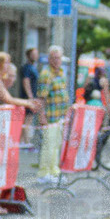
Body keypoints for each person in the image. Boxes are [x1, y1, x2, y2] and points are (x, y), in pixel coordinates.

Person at [36, 46, 70, 184]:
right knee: (48, 146)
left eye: (59, 58)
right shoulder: (46, 74)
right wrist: (41, 115)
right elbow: (41, 97)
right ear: (49, 59)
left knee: (56, 145)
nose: (57, 61)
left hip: (59, 116)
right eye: (54, 58)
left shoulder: (61, 73)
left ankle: (54, 171)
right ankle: (44, 173)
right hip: (50, 116)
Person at [20, 47, 39, 145]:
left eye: (36, 54)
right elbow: (26, 81)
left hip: (32, 96)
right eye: (33, 54)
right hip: (27, 98)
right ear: (28, 56)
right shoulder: (27, 68)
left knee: (28, 120)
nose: (35, 56)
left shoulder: (33, 67)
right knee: (27, 120)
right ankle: (26, 142)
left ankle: (23, 141)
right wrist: (30, 97)